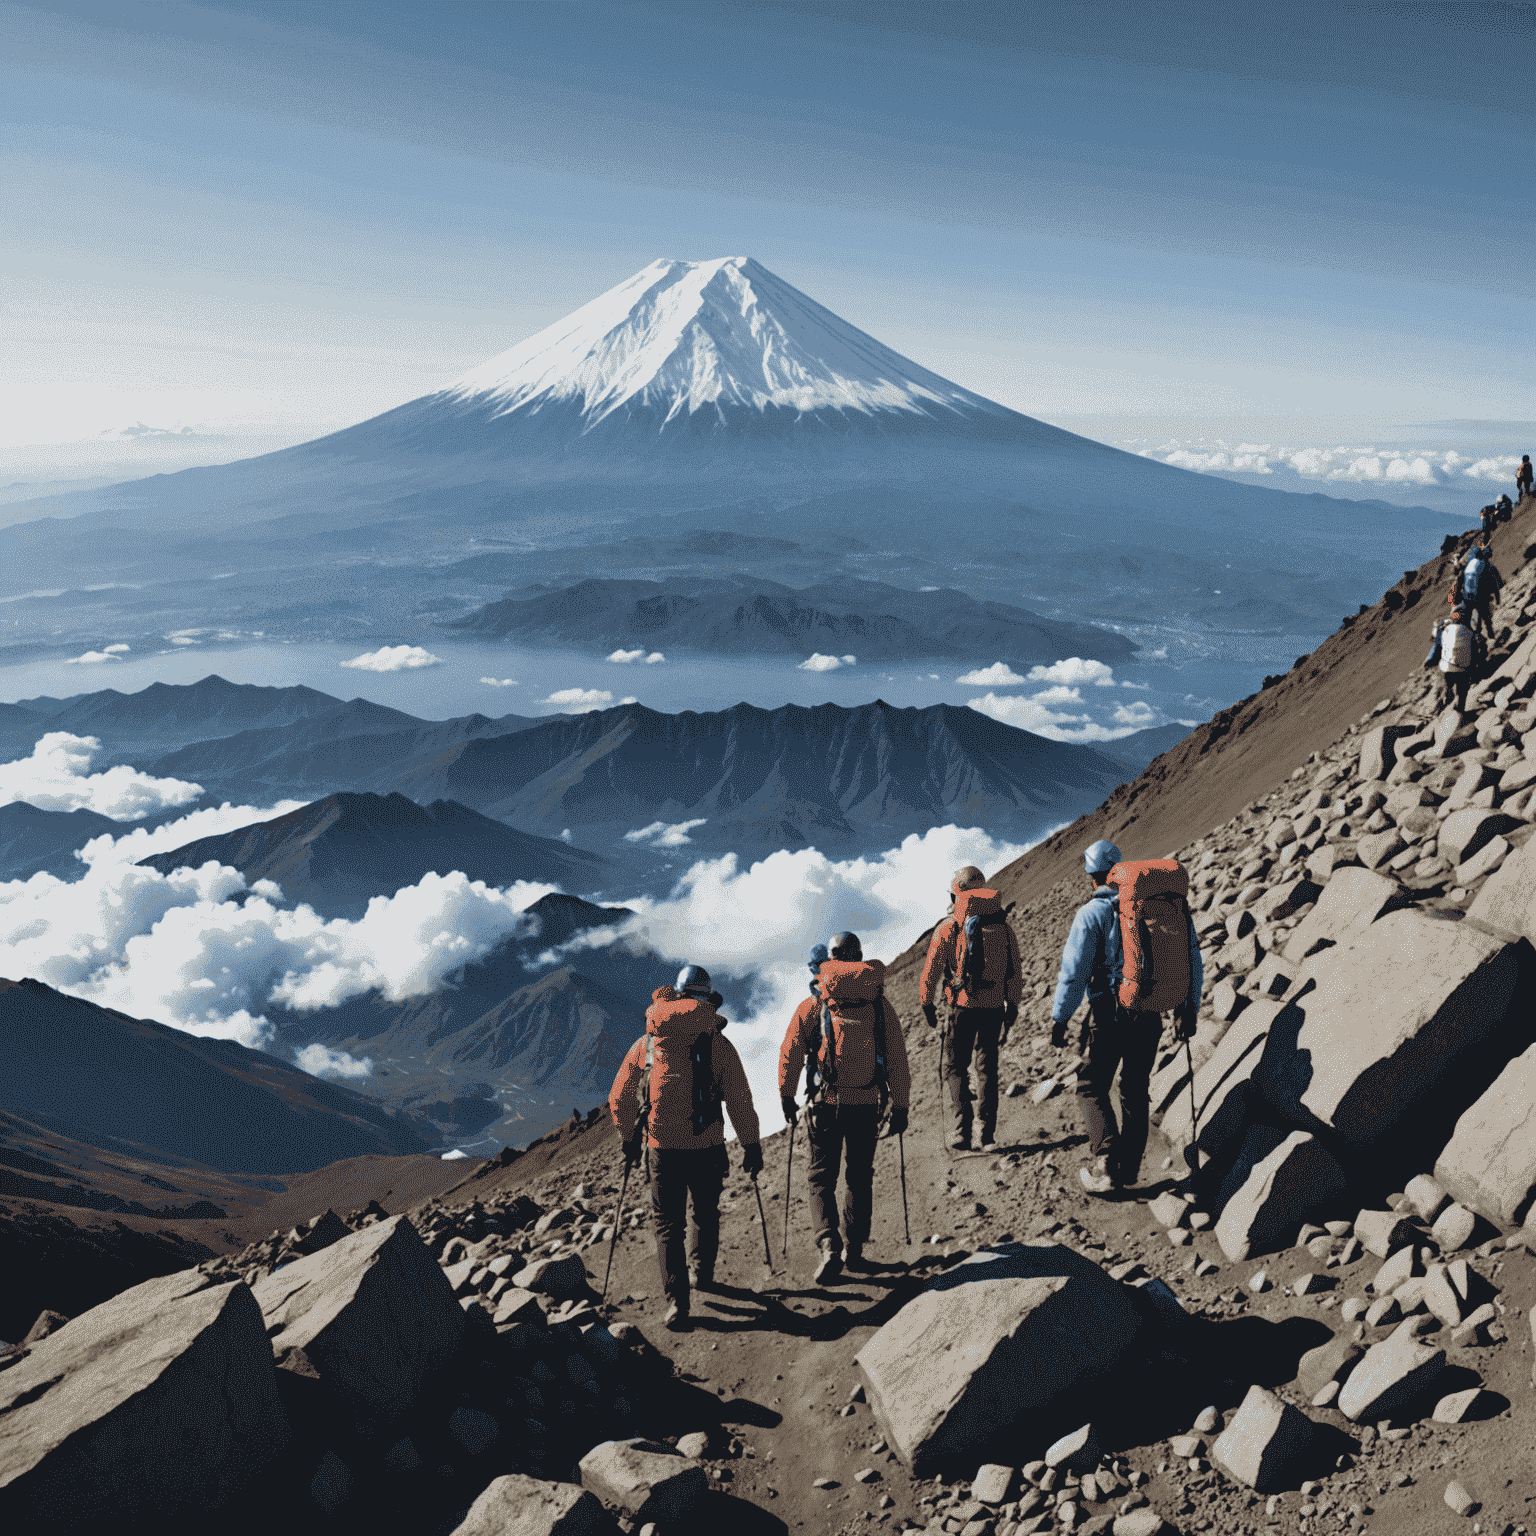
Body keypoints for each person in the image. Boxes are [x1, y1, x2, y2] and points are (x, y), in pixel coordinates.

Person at [609, 965, 762, 1330]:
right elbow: (739, 1099)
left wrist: (629, 1138)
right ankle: (703, 1274)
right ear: (706, 1000)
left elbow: (619, 1098)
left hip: (661, 1150)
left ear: (676, 996)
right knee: (705, 1213)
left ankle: (678, 1302)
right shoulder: (718, 1044)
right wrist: (751, 1144)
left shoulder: (647, 1044)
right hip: (707, 1146)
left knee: (667, 1225)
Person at [1050, 839, 1202, 1196]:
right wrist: (1188, 1010)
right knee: (1135, 1090)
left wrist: (1061, 1018)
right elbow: (1192, 959)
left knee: (1090, 1086)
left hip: (1108, 1015)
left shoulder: (1093, 913)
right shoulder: (1163, 904)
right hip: (1151, 1014)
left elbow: (1074, 972)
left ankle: (1105, 1164)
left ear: (1091, 876)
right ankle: (1129, 1170)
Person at [779, 932, 911, 1282]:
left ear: (831, 959)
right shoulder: (878, 1004)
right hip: (866, 1103)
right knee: (859, 1177)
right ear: (861, 957)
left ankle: (828, 1245)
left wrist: (786, 1095)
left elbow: (791, 1050)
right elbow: (896, 1057)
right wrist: (901, 1106)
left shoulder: (816, 1002)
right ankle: (855, 1250)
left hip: (825, 1102)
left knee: (820, 1178)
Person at [919, 865, 1023, 1151]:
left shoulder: (948, 927)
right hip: (993, 1008)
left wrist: (926, 1003)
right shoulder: (1002, 926)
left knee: (956, 1067)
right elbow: (1015, 971)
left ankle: (961, 1131)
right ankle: (987, 1135)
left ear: (957, 894)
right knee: (987, 1068)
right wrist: (1012, 1005)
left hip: (961, 1007)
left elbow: (931, 969)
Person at [1433, 606, 1477, 712]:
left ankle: (1444, 699)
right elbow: (1474, 652)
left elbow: (1436, 638)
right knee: (1462, 688)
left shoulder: (1446, 630)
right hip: (1463, 668)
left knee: (1447, 683)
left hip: (1447, 666)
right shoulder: (1469, 632)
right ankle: (1459, 708)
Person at [1463, 544, 1503, 637]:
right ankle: (1490, 636)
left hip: (1467, 595)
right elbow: (1495, 583)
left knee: (1476, 618)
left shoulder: (1472, 563)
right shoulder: (1487, 566)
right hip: (1479, 596)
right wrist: (1497, 600)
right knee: (1486, 618)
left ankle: (1475, 638)